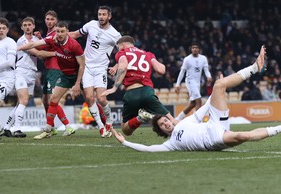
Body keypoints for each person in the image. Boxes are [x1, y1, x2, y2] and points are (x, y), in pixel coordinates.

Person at [111, 46, 281, 152]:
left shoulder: (184, 123)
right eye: (163, 125)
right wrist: (125, 142)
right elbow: (147, 149)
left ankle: (254, 68)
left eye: (165, 120)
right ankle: (279, 129)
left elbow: (202, 110)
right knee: (244, 136)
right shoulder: (170, 145)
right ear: (162, 131)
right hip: (213, 140)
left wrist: (216, 91)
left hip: (213, 123)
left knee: (219, 85)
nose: (167, 123)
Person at [18, 21, 85, 140]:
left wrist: (77, 83)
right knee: (52, 100)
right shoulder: (52, 39)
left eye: (62, 31)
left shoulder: (74, 45)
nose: (59, 34)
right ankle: (49, 129)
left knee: (90, 99)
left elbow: (82, 65)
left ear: (67, 32)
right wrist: (17, 48)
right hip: (64, 75)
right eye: (58, 31)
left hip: (77, 74)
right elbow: (33, 45)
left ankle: (104, 126)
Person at [101, 35, 177, 136]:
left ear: (123, 45)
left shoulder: (122, 53)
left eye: (118, 47)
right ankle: (185, 135)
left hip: (132, 93)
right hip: (147, 92)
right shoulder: (147, 54)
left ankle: (139, 118)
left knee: (126, 130)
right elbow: (161, 70)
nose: (118, 49)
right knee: (172, 119)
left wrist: (114, 88)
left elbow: (123, 67)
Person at [69, 5, 121, 138]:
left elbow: (123, 53)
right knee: (89, 97)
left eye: (104, 14)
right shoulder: (91, 25)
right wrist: (58, 35)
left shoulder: (115, 34)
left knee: (101, 98)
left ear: (109, 16)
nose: (101, 17)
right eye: (99, 14)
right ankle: (101, 126)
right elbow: (75, 34)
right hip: (86, 67)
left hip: (100, 69)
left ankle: (109, 120)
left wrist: (116, 66)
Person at [1, 17, 52, 138]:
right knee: (24, 101)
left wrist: (40, 38)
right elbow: (38, 53)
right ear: (22, 27)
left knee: (21, 102)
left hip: (32, 74)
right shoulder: (21, 41)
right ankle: (17, 129)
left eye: (30, 24)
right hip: (21, 73)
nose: (27, 27)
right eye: (25, 25)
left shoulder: (36, 39)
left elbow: (42, 54)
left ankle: (7, 127)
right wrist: (56, 54)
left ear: (34, 26)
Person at [174, 42, 212, 121]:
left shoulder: (203, 58)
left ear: (199, 49)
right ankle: (198, 121)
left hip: (197, 82)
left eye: (196, 48)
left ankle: (178, 119)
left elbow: (206, 70)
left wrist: (209, 76)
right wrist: (178, 84)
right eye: (193, 48)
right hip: (190, 82)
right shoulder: (187, 59)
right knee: (199, 100)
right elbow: (182, 72)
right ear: (191, 49)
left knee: (193, 104)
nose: (195, 49)